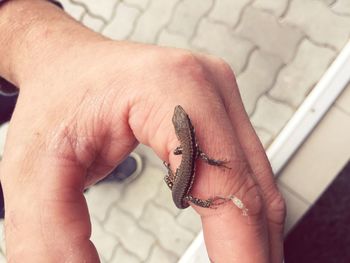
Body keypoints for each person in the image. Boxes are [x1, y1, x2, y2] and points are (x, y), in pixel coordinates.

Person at [0, 0, 286, 262]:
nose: (182, 118)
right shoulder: (187, 158)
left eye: (181, 120)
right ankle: (94, 172)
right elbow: (190, 187)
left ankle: (96, 168)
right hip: (181, 194)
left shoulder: (186, 149)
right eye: (182, 120)